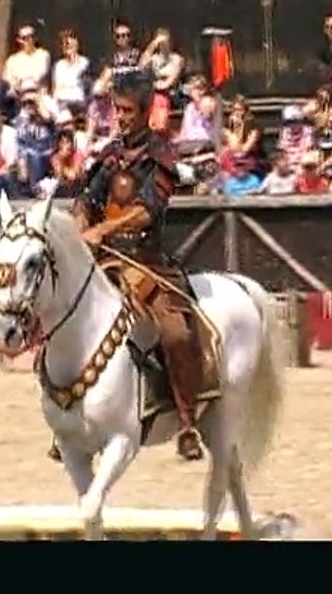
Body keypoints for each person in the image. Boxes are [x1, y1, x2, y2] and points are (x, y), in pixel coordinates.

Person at [71, 70, 205, 463]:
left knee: (176, 334)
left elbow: (147, 212)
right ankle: (67, 417)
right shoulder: (110, 155)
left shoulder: (161, 155)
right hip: (102, 262)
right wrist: (82, 225)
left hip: (146, 264)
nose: (122, 117)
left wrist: (103, 229)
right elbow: (85, 199)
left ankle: (187, 423)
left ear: (147, 112)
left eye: (129, 110)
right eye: (118, 109)